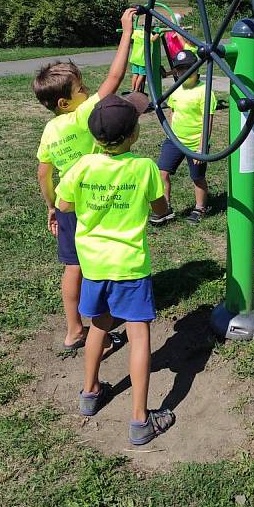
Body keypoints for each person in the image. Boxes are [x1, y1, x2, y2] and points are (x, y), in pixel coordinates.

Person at [56, 93, 175, 445]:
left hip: (93, 265)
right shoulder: (143, 168)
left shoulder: (82, 166)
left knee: (99, 326)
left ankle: (90, 393)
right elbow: (159, 209)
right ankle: (140, 420)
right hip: (130, 266)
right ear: (135, 134)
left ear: (95, 137)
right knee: (139, 335)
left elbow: (64, 203)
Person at [33, 8, 136, 350]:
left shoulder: (50, 129)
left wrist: (51, 207)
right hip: (94, 201)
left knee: (73, 266)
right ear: (65, 101)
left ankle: (74, 329)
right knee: (102, 258)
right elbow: (115, 77)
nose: (87, 90)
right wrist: (126, 32)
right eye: (80, 88)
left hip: (66, 204)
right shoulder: (84, 116)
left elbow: (44, 172)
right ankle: (102, 322)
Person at [151, 49, 217, 225]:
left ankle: (200, 207)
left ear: (196, 68)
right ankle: (165, 208)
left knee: (197, 177)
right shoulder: (176, 88)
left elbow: (207, 121)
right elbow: (173, 111)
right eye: (180, 69)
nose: (184, 72)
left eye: (188, 68)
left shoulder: (205, 91)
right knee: (161, 172)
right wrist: (170, 134)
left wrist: (202, 147)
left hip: (196, 142)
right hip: (174, 140)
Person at [129, 21, 159, 93]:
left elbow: (132, 36)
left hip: (135, 57)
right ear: (151, 28)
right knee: (142, 75)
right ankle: (136, 89)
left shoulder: (137, 32)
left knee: (135, 73)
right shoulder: (148, 34)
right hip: (143, 59)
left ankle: (132, 88)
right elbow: (153, 39)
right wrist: (158, 34)